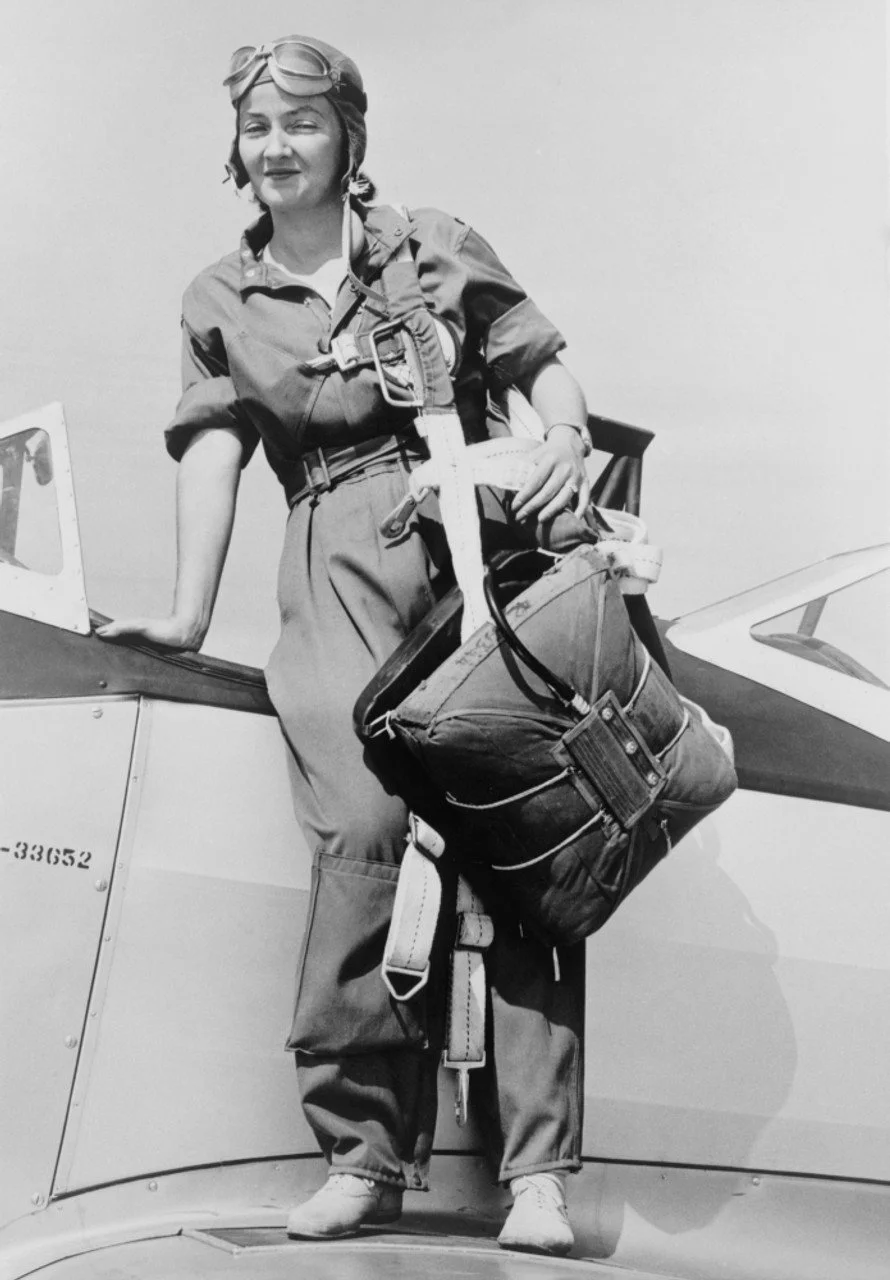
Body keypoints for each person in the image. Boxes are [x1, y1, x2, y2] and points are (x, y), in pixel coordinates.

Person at [98, 35, 593, 1257]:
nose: (278, 146)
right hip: (330, 553)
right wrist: (184, 613)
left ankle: (536, 1172)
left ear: (347, 136)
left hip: (473, 546)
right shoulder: (218, 296)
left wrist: (566, 439)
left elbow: (545, 370)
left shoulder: (432, 242)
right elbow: (212, 454)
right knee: (361, 834)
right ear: (237, 147)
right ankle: (364, 1152)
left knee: (520, 835)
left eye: (302, 124)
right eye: (258, 128)